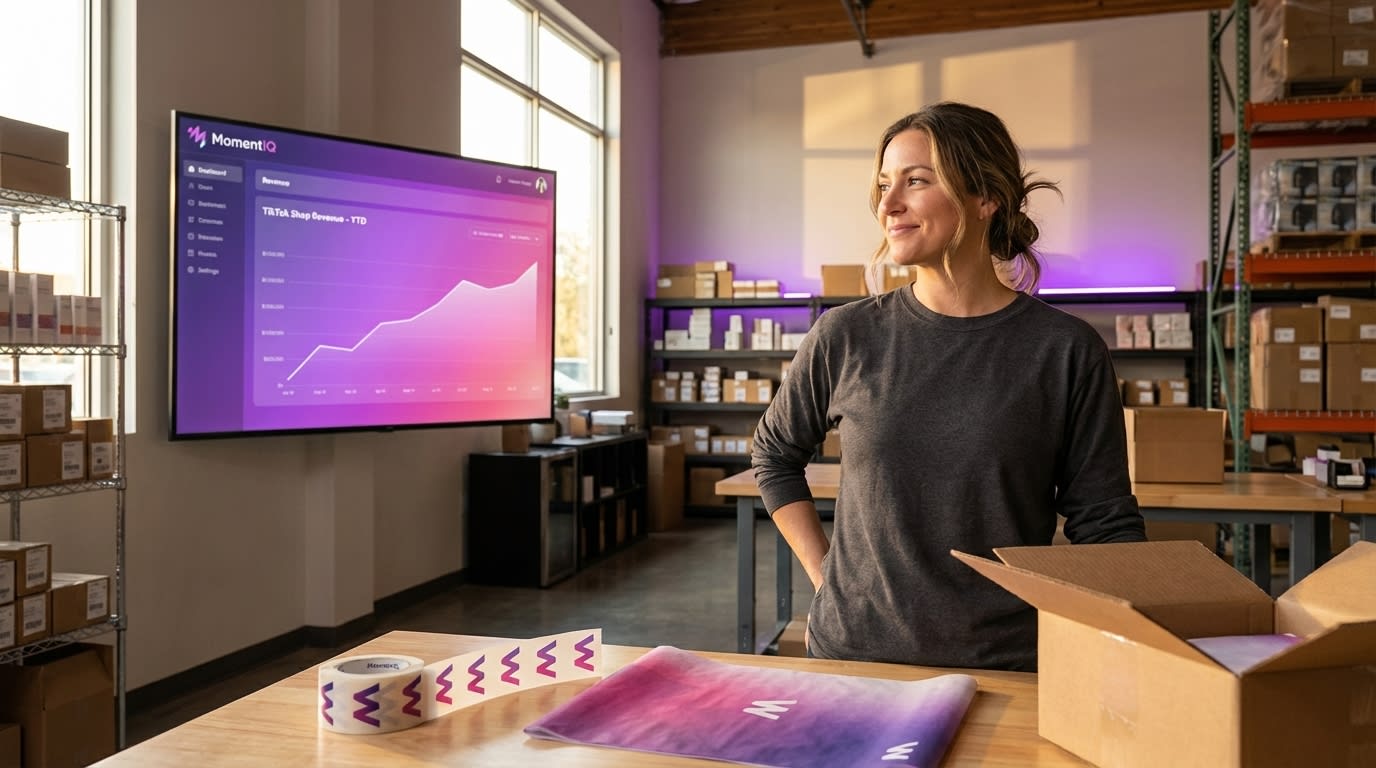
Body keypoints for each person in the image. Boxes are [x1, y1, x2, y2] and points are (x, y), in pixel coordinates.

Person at [750, 102, 1146, 672]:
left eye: (916, 181)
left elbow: (1104, 520)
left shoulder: (1065, 351)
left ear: (985, 197)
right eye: (884, 185)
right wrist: (825, 573)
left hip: (1007, 662)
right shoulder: (846, 335)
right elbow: (774, 453)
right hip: (856, 654)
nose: (888, 205)